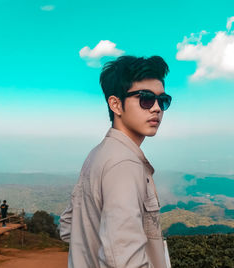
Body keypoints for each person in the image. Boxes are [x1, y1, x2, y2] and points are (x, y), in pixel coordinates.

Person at [60, 56, 172, 268]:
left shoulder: (98, 154)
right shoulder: (125, 164)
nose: (157, 108)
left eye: (163, 100)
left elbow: (67, 227)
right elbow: (124, 261)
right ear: (116, 105)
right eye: (146, 98)